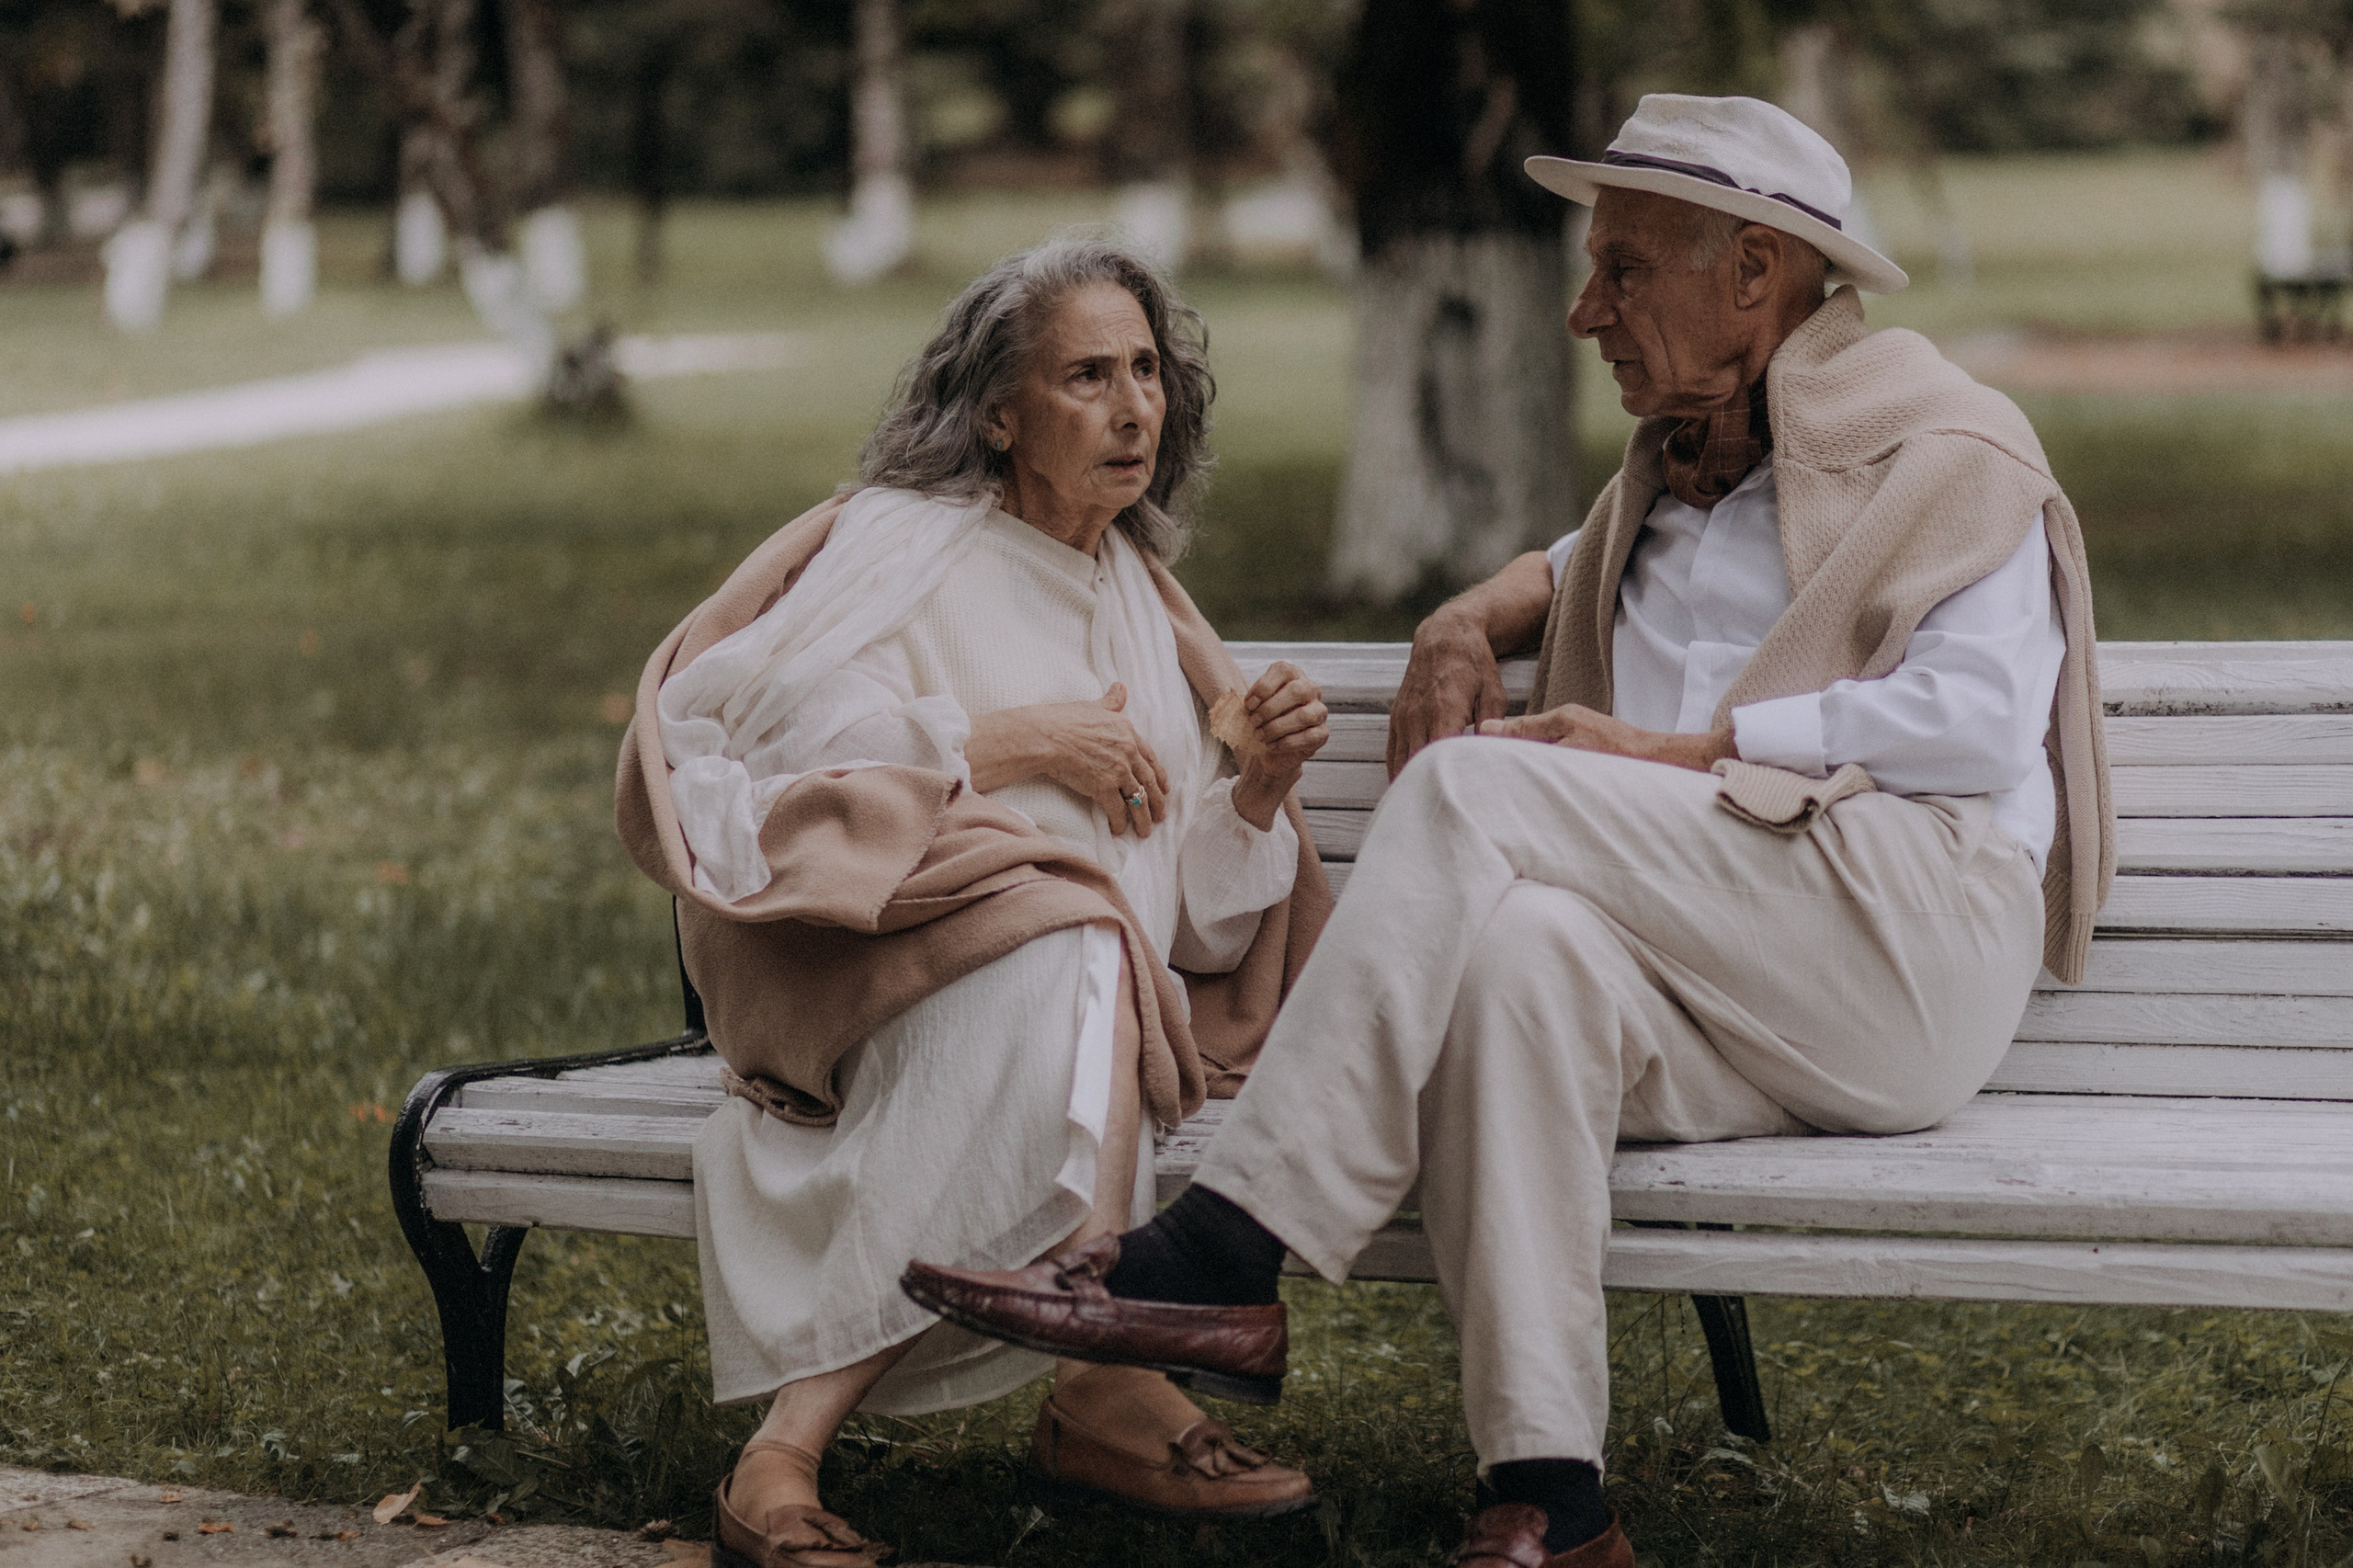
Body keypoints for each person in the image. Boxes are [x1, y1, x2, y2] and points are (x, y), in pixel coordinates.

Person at [903, 95, 2114, 1568]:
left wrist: (1685, 751)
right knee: (1523, 963)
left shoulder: (1951, 456)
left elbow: (1978, 720)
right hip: (1741, 977)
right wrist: (1464, 615)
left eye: (1623, 270)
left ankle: (1227, 1246)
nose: (1584, 310)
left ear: (1754, 271)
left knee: (1473, 783)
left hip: (1909, 943)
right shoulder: (1669, 476)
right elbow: (1572, 561)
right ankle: (1552, 1497)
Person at [614, 237, 1336, 1568]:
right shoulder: (900, 546)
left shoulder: (1145, 602)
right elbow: (754, 752)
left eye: (1147, 372)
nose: (1133, 409)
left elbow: (1194, 932)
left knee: (1085, 948)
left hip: (1077, 991)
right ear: (999, 411)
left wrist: (1254, 794)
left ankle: (794, 1450)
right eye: (1087, 377)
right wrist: (1006, 744)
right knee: (1074, 945)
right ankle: (1104, 1384)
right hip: (868, 971)